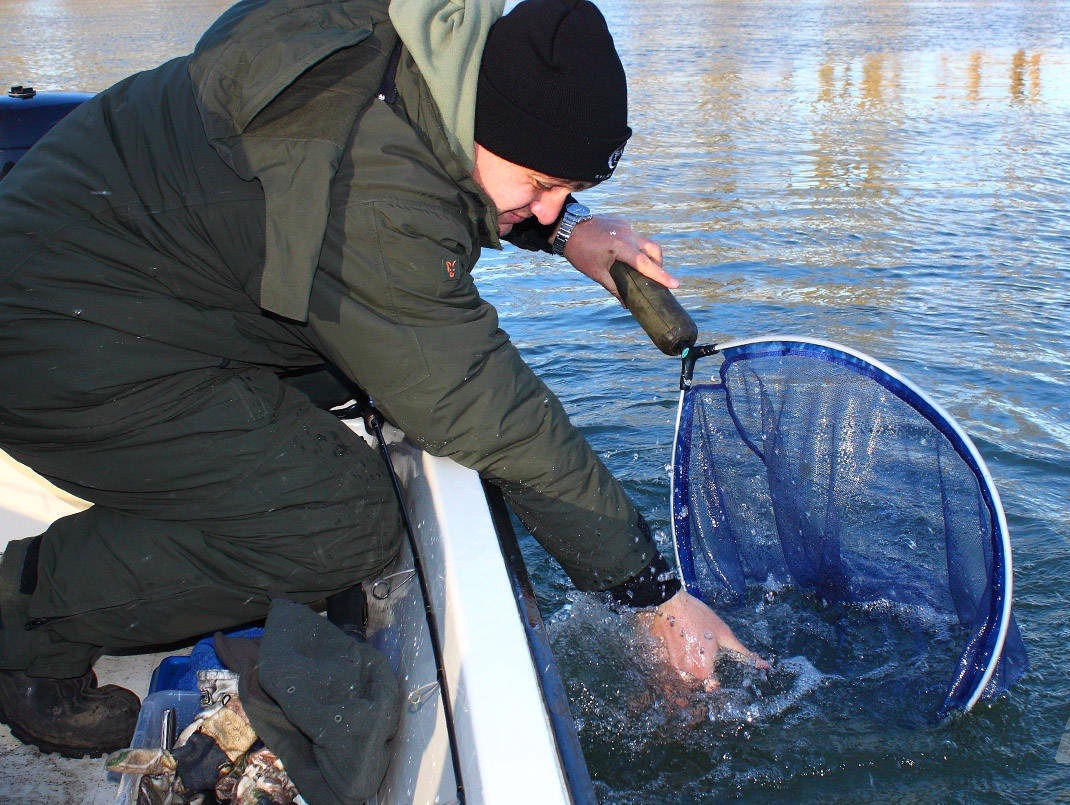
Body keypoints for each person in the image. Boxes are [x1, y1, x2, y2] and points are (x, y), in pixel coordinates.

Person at [0, 0, 759, 758]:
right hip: (56, 339)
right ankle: (26, 619)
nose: (551, 204)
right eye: (540, 183)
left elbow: (474, 174)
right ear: (481, 121)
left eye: (567, 186)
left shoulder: (431, 45)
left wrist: (565, 230)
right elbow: (492, 413)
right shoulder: (374, 188)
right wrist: (652, 597)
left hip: (128, 279)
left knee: (352, 382)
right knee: (342, 524)